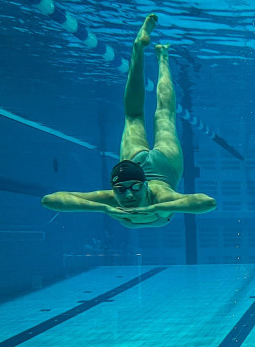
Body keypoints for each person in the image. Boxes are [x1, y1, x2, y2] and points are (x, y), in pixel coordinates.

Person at [41, 15, 216, 228]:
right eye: (122, 189)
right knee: (163, 114)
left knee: (139, 115)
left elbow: (208, 203)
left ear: (144, 185)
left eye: (134, 187)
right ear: (114, 188)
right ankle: (162, 56)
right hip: (166, 165)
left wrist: (155, 207)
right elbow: (207, 202)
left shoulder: (159, 197)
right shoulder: (114, 199)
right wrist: (103, 207)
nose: (129, 195)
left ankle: (141, 51)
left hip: (135, 160)